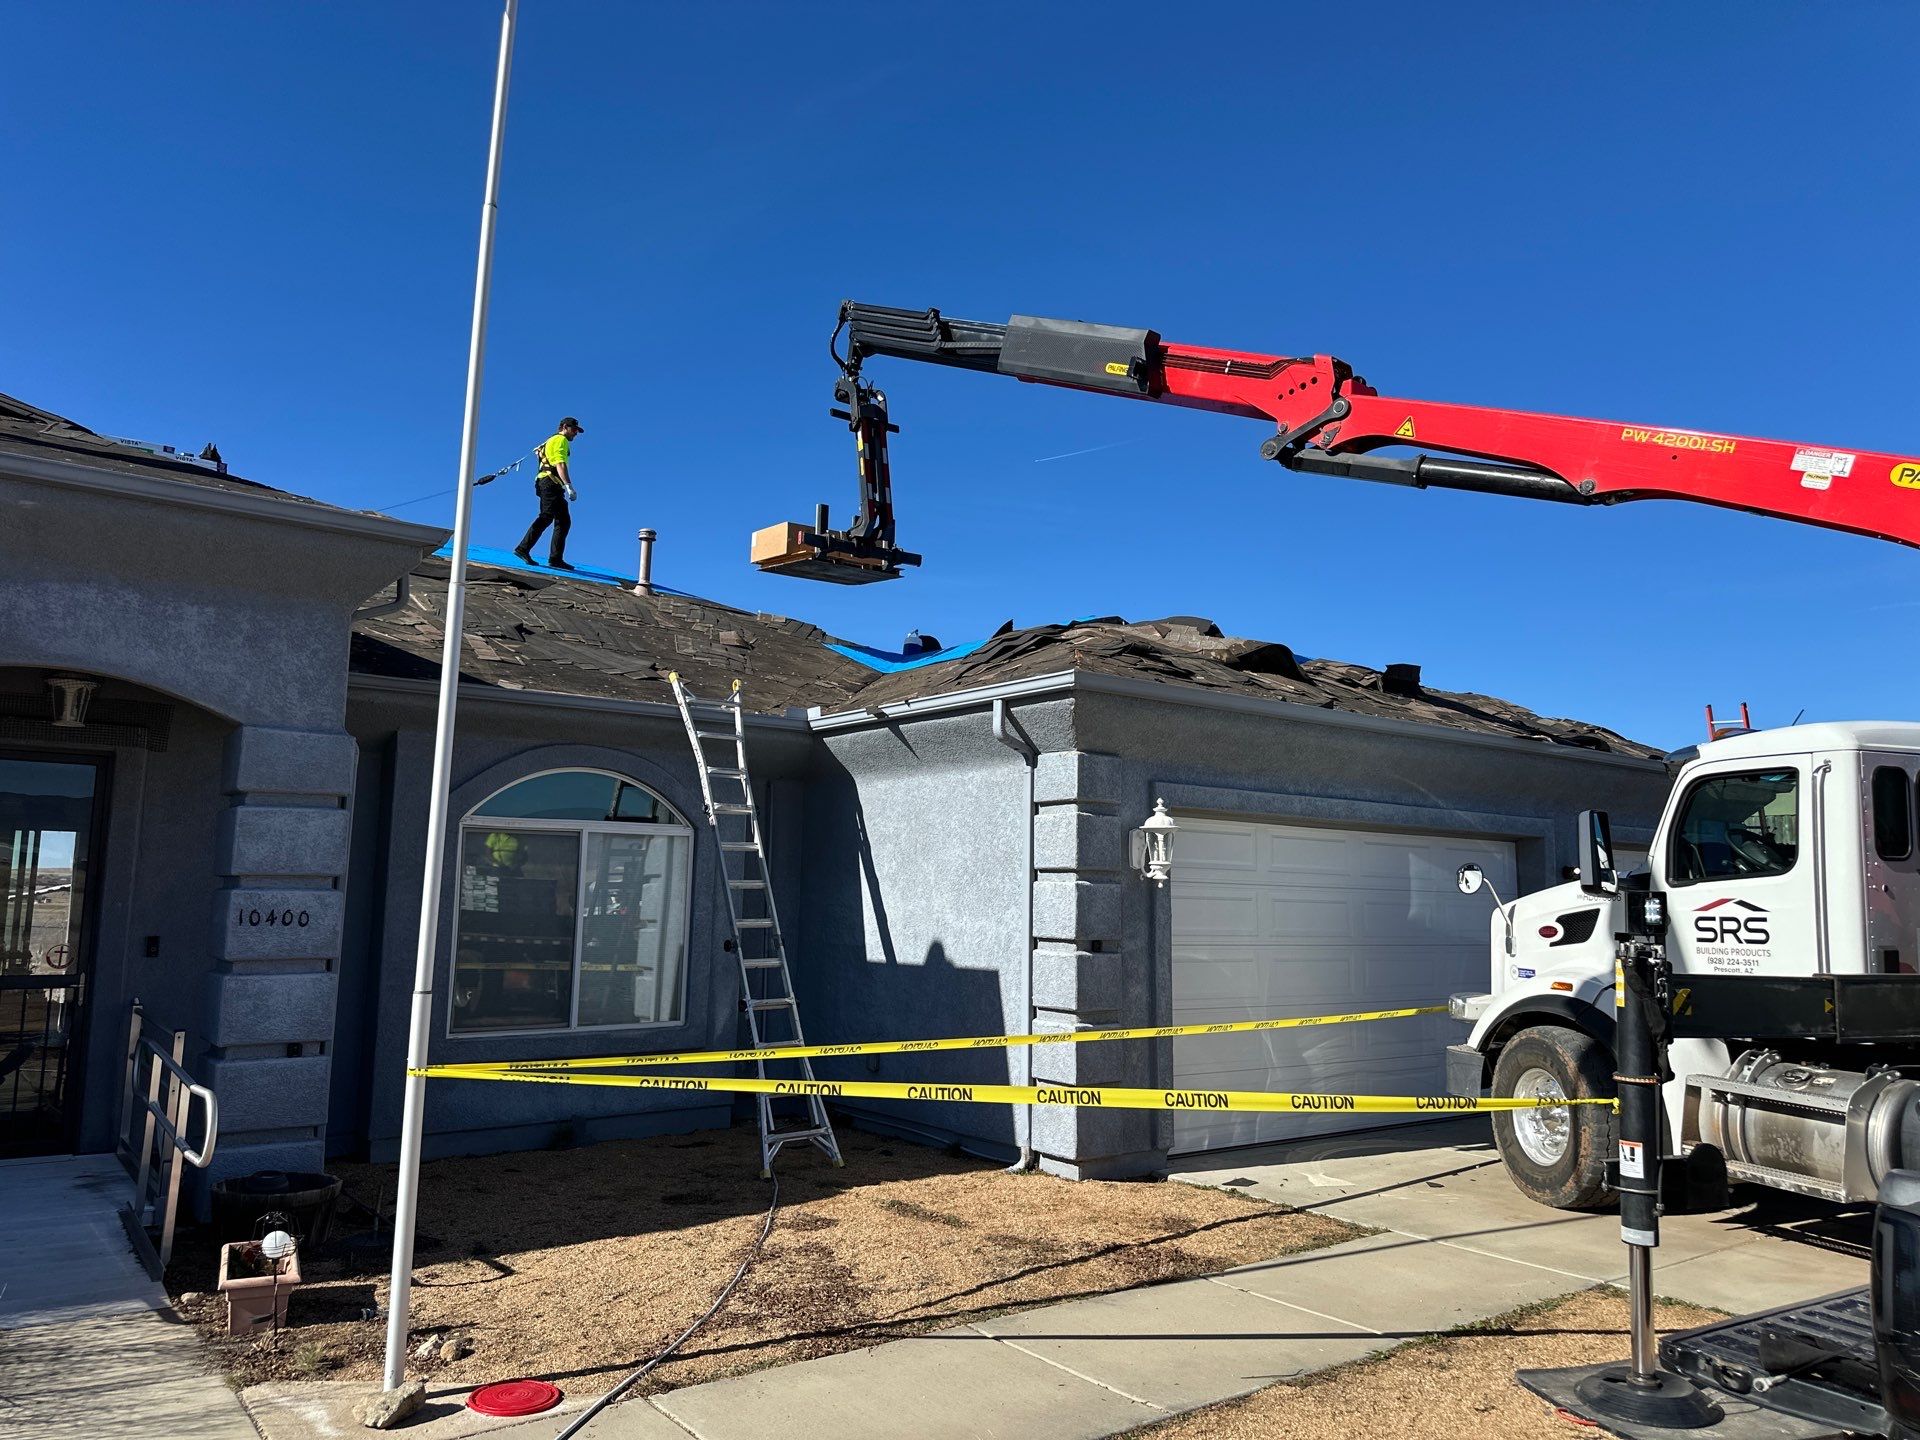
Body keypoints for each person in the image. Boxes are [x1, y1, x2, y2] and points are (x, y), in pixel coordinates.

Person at [514, 416, 583, 570]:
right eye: (573, 430)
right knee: (546, 516)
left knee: (563, 520)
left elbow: (543, 455)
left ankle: (556, 558)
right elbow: (560, 463)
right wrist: (569, 485)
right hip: (550, 482)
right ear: (564, 427)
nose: (575, 434)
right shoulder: (560, 440)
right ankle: (523, 548)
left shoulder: (549, 441)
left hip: (549, 483)